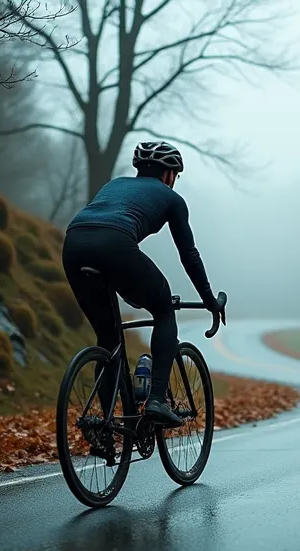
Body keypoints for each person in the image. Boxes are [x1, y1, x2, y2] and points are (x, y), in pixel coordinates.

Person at [61, 140, 225, 427]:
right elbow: (189, 254)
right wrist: (210, 299)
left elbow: (110, 248)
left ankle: (109, 423)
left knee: (108, 338)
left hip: (73, 243)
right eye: (176, 176)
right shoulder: (172, 199)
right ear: (169, 174)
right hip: (115, 244)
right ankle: (156, 401)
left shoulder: (114, 185)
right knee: (163, 310)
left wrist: (132, 291)